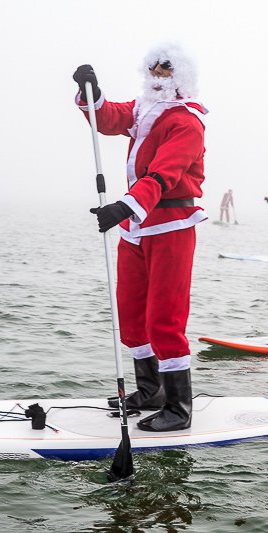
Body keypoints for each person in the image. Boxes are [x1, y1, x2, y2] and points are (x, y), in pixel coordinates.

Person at [72, 42, 208, 432]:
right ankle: (150, 391)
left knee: (164, 316)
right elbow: (111, 119)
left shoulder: (187, 121)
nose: (158, 74)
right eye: (153, 68)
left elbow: (164, 175)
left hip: (170, 225)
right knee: (131, 313)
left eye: (166, 69)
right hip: (136, 226)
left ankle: (179, 407)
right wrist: (92, 96)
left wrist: (124, 206)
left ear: (180, 75)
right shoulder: (145, 108)